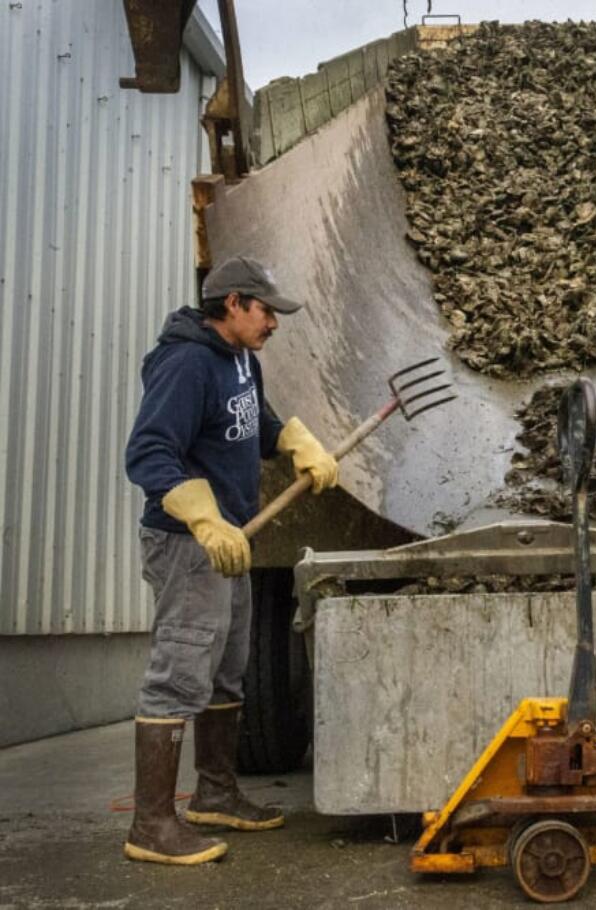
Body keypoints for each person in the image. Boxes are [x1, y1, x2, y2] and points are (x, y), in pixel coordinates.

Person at [123, 257, 340, 865]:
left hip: (235, 541)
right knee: (178, 674)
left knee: (227, 669)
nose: (275, 321)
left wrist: (295, 443)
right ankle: (151, 825)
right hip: (190, 545)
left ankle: (215, 794)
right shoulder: (187, 362)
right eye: (267, 310)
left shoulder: (243, 358)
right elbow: (149, 452)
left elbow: (257, 424)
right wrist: (201, 515)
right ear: (234, 304)